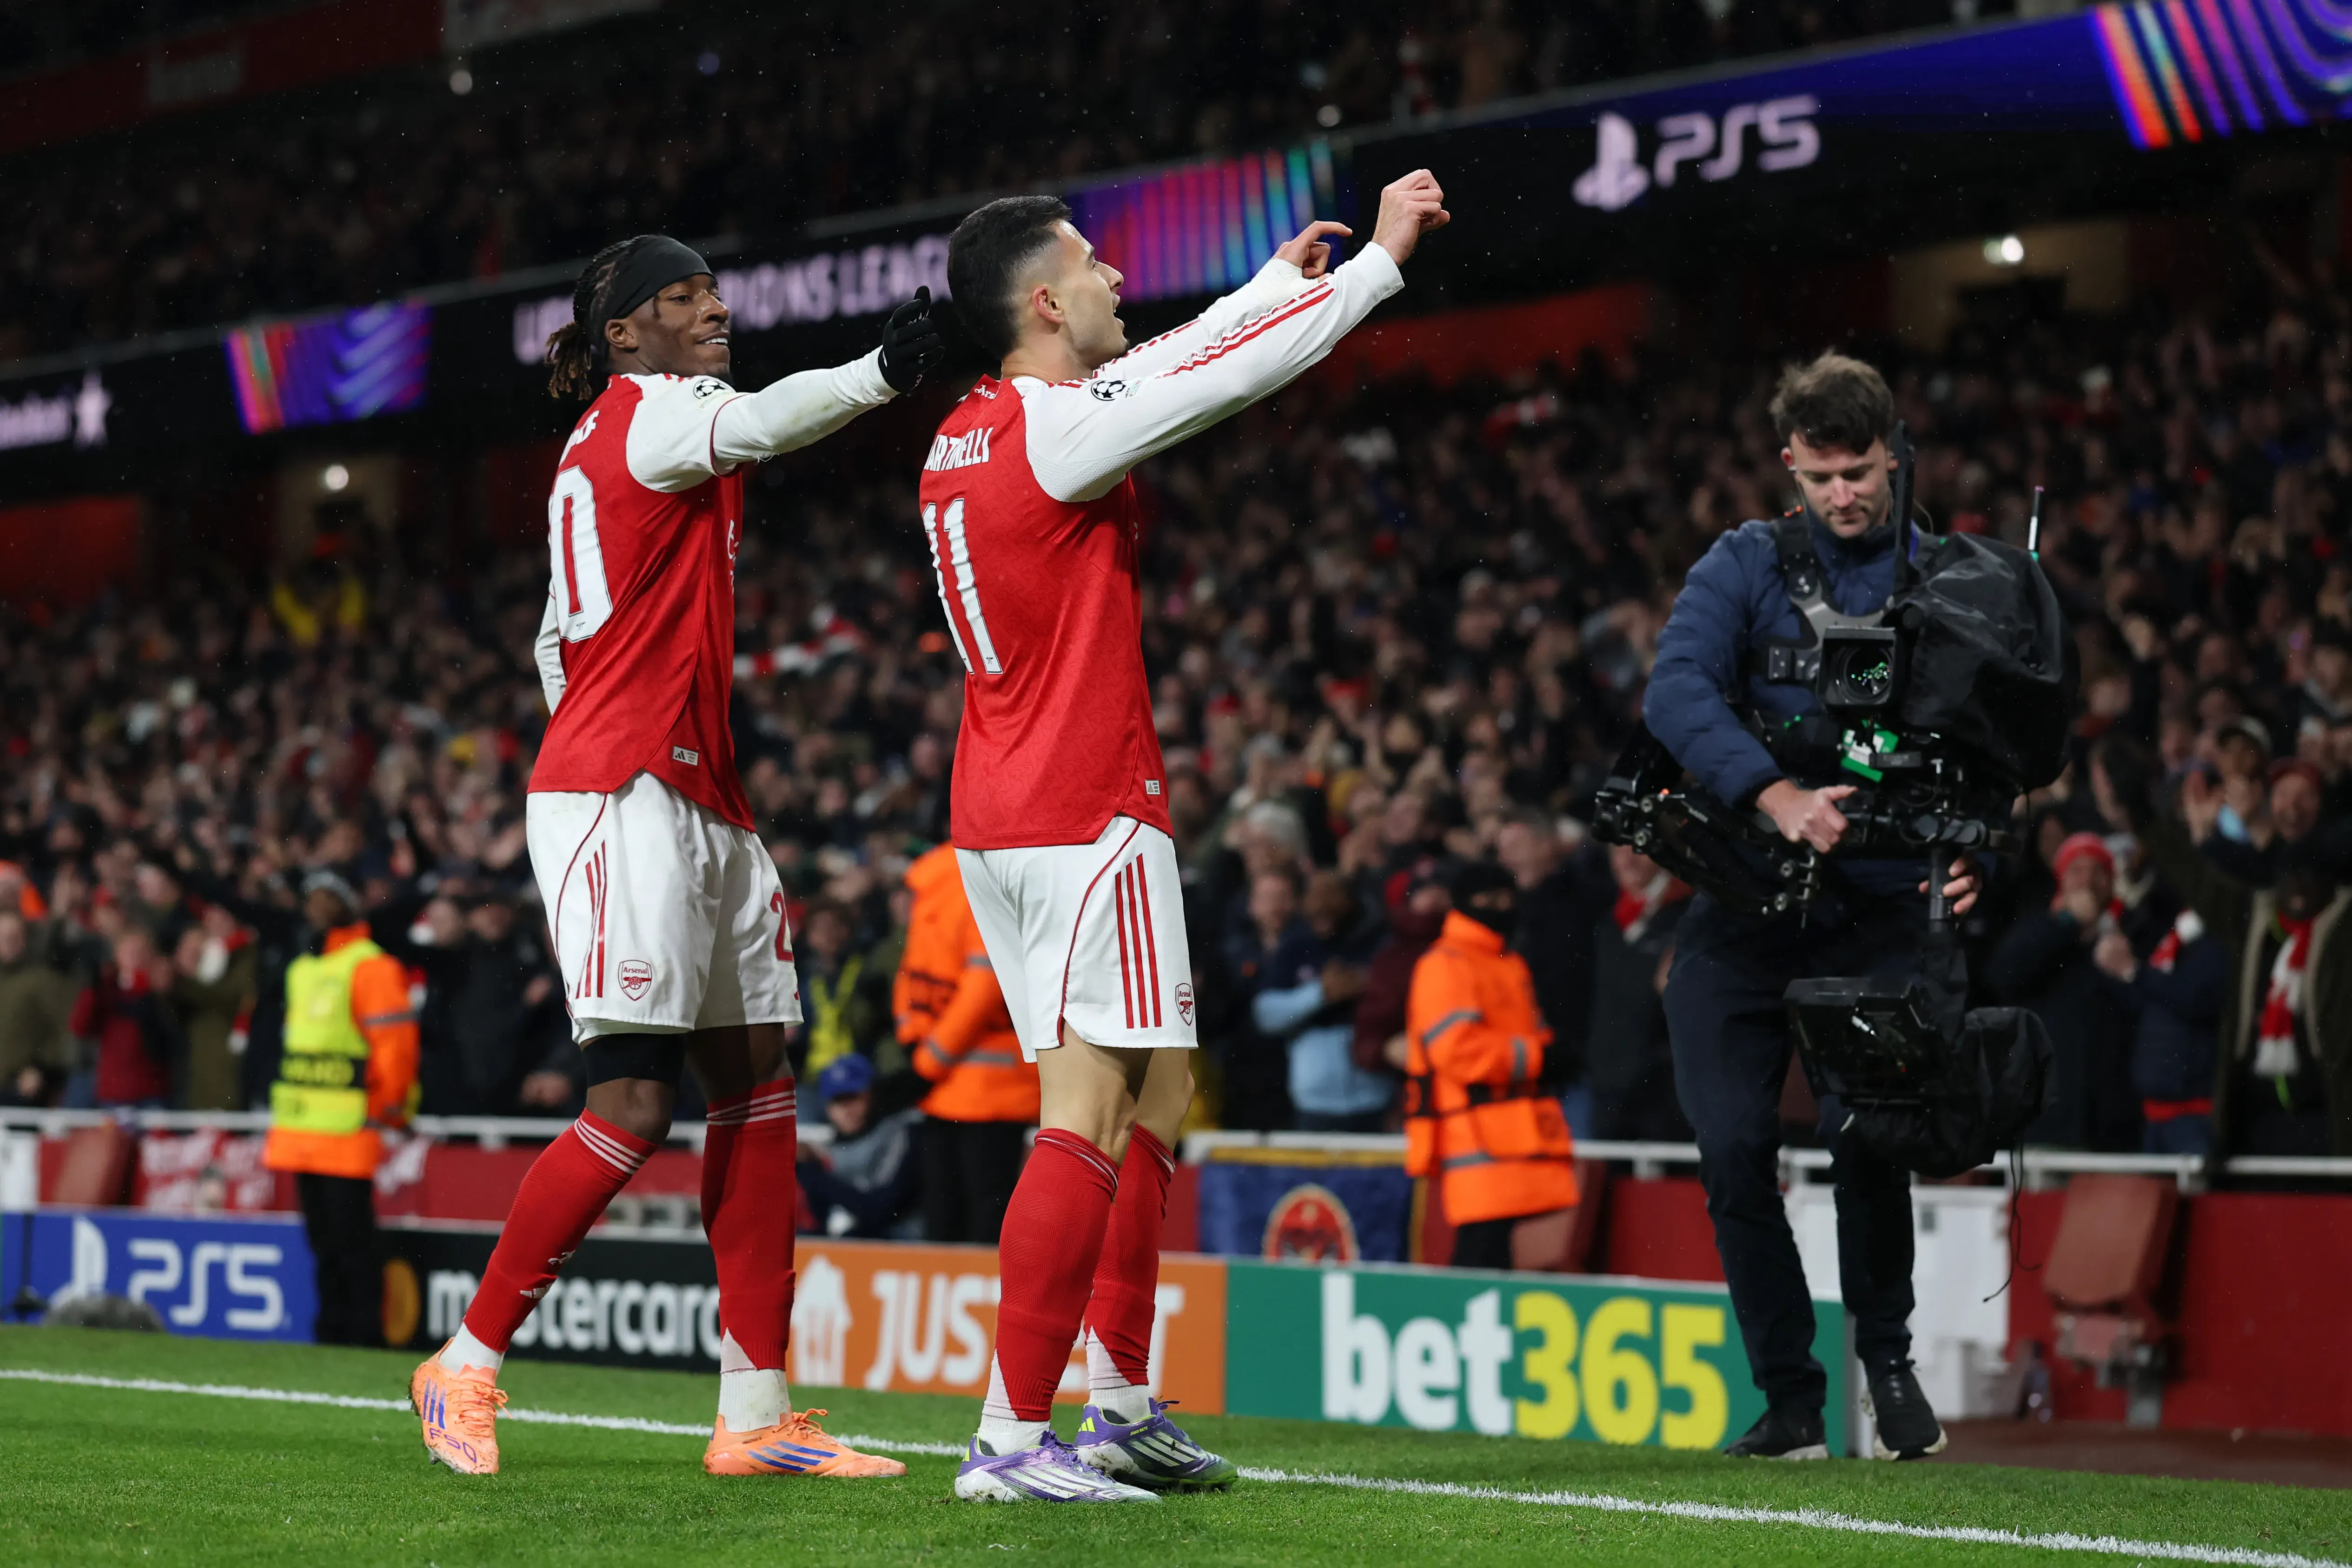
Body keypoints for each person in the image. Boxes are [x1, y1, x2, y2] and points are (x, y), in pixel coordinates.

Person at [922, 169, 1448, 1502]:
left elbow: (1148, 370)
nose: (1111, 278)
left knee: (1154, 1093)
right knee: (1093, 1108)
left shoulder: (974, 430)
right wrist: (1371, 271)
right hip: (1084, 801)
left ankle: (1116, 1402)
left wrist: (1272, 282)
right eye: (1090, 264)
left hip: (1003, 803)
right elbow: (1208, 387)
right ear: (1042, 301)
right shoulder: (1052, 432)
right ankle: (1007, 1434)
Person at [410, 231, 942, 1480]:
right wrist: (878, 371)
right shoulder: (655, 410)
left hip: (690, 785)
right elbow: (764, 420)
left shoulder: (599, 447)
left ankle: (754, 1412)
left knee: (756, 1084)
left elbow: (554, 638)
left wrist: (599, 717)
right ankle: (466, 1361)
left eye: (714, 290)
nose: (713, 308)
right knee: (635, 1101)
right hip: (626, 787)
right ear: (625, 335)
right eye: (682, 296)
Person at [1643, 351, 1982, 1462]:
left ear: (1892, 453)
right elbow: (1675, 689)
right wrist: (1773, 790)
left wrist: (1974, 853)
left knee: (1864, 1137)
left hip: (1882, 901)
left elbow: (1995, 747)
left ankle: (1884, 1362)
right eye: (1821, 474)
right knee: (1733, 1146)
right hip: (1744, 901)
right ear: (1788, 464)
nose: (1842, 493)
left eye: (1859, 470)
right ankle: (1788, 1394)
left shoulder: (1944, 576)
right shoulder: (1741, 561)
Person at [261, 872, 419, 1346]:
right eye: (311, 899)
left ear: (347, 906)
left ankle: (363, 1333)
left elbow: (395, 1049)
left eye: (326, 899)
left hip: (350, 1128)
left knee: (352, 1244)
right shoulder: (302, 969)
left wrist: (388, 1109)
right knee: (324, 1244)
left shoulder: (371, 966)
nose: (315, 908)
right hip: (301, 1130)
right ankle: (331, 1331)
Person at [1402, 860, 1577, 1269]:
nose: (1501, 906)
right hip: (1478, 1140)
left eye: (1505, 897)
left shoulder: (1508, 964)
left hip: (1520, 1138)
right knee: (1480, 1256)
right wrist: (1539, 1058)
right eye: (1489, 899)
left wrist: (1550, 1053)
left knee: (1502, 1260)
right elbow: (1457, 1050)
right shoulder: (1446, 963)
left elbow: (1527, 1034)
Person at [895, 843, 1038, 1245]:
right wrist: (924, 1061)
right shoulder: (990, 877)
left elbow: (914, 980)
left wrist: (919, 1056)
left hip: (953, 1088)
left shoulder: (933, 886)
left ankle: (948, 1306)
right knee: (984, 1219)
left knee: (945, 1215)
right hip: (993, 1090)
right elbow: (984, 984)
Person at [1988, 833, 2142, 1150]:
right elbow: (2002, 974)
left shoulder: (2130, 938)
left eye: (2097, 870)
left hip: (2110, 1129)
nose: (2086, 880)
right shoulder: (2038, 930)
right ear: (2060, 879)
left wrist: (2127, 970)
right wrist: (2067, 923)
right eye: (2076, 869)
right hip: (2047, 1125)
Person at [1586, 845, 1693, 1143]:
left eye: (1638, 848)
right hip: (1610, 1088)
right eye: (1617, 851)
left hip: (1666, 1093)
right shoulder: (1607, 922)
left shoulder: (1690, 917)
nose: (1627, 860)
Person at [796, 1054, 923, 1238]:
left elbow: (880, 1208)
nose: (846, 1111)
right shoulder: (830, 1146)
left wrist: (810, 1173)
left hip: (904, 1245)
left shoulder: (900, 1132)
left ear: (872, 1095)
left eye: (853, 1098)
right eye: (837, 1101)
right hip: (853, 1245)